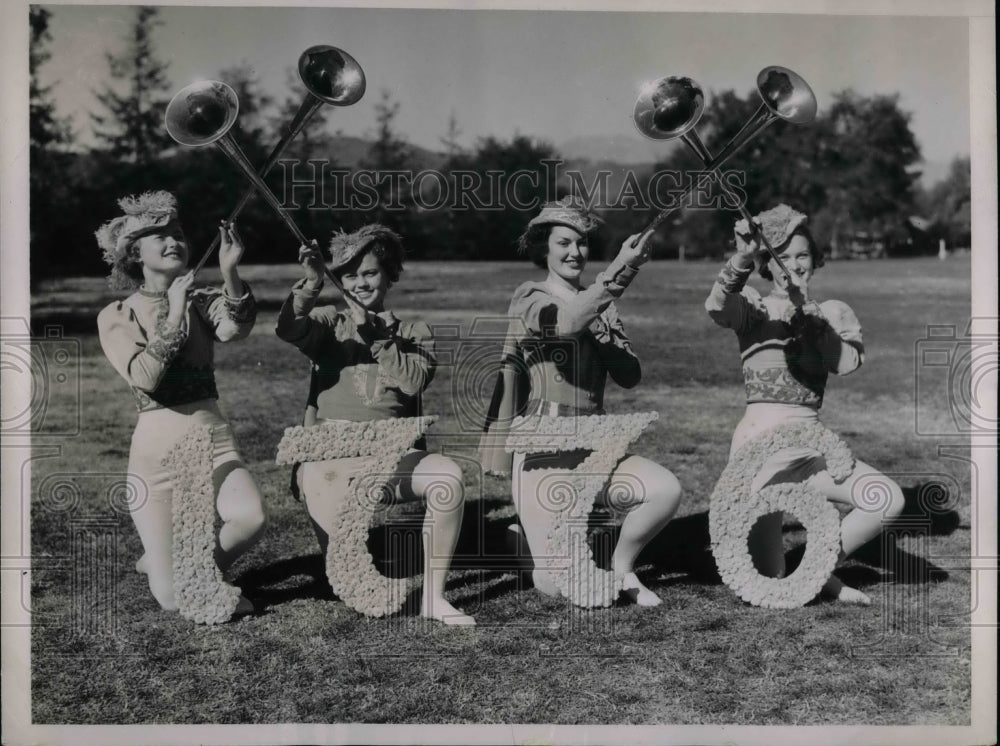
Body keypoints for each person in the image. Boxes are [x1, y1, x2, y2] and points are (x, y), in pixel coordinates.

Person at [480, 197, 683, 606]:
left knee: (665, 489)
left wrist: (606, 332)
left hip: (595, 444)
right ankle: (519, 540)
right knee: (555, 586)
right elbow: (567, 323)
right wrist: (622, 270)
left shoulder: (602, 305)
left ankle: (620, 568)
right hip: (543, 450)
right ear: (544, 248)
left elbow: (630, 376)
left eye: (582, 243)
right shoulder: (529, 297)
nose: (575, 252)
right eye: (563, 243)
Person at [705, 203, 906, 605]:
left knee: (887, 498)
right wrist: (741, 256)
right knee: (771, 582)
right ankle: (812, 576)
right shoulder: (753, 306)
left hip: (810, 449)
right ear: (767, 264)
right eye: (782, 257)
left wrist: (813, 320)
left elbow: (845, 362)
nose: (793, 265)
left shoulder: (831, 311)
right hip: (757, 453)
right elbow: (716, 307)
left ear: (815, 260)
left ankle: (817, 570)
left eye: (802, 255)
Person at [275, 225, 475, 626]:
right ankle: (352, 570)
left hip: (391, 451)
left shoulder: (414, 333)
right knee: (345, 578)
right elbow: (288, 328)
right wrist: (312, 283)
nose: (359, 282)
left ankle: (433, 598)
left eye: (369, 272)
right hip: (330, 451)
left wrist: (375, 334)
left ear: (388, 274)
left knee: (448, 478)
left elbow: (413, 381)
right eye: (349, 274)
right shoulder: (330, 323)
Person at [96, 191, 266, 617]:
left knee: (250, 518)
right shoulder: (117, 314)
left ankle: (196, 571)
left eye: (178, 234)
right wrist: (173, 313)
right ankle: (170, 569)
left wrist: (230, 273)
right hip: (157, 460)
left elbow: (235, 331)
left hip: (213, 440)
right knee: (172, 601)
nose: (174, 242)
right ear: (135, 254)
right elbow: (146, 378)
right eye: (161, 237)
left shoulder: (201, 300)